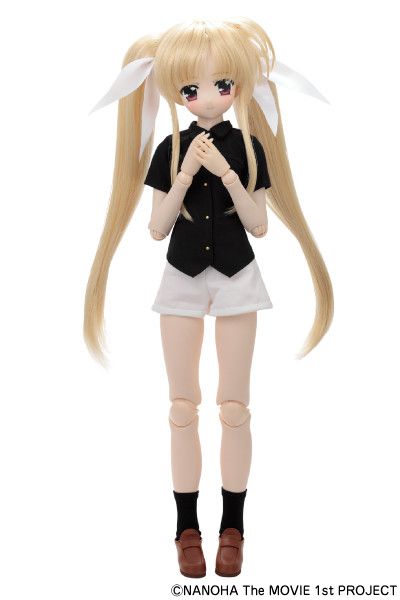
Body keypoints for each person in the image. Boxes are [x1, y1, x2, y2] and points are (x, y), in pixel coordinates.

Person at [84, 17, 334, 578]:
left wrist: (226, 172)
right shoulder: (171, 148)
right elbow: (156, 228)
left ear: (239, 85)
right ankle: (186, 529)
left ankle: (234, 527)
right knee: (181, 408)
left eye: (222, 84)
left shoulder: (248, 147)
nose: (208, 96)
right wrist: (185, 173)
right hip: (181, 277)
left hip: (237, 277)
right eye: (191, 89)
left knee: (235, 408)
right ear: (177, 93)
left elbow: (259, 225)